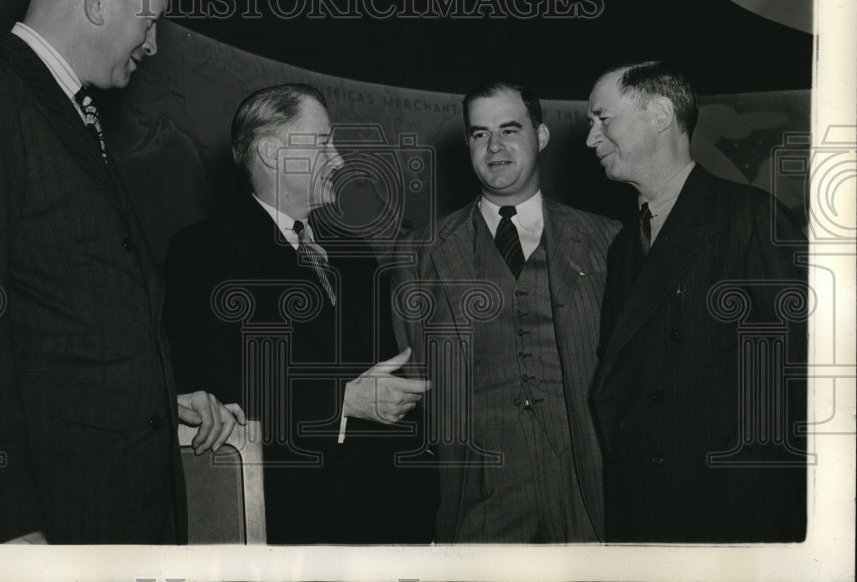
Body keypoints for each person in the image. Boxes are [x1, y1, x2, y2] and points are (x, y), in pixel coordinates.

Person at [0, 0, 242, 544]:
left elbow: (63, 316)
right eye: (150, 20)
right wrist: (1, 529)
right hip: (45, 524)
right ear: (99, 2)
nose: (153, 44)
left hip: (106, 505)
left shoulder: (66, 110)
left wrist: (158, 397)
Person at [162, 83, 436, 544]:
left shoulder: (356, 254)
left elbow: (387, 387)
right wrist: (341, 403)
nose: (340, 159)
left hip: (383, 524)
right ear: (271, 152)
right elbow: (212, 383)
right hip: (285, 524)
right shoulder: (205, 251)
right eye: (323, 142)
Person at [585, 60, 808, 542]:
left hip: (734, 516)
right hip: (648, 514)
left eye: (603, 120)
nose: (590, 139)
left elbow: (808, 381)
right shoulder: (625, 244)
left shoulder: (752, 218)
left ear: (661, 113)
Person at [392, 79, 620, 542]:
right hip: (479, 496)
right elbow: (413, 382)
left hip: (590, 490)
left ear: (540, 136)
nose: (494, 147)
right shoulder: (421, 252)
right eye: (479, 134)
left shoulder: (608, 239)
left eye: (509, 130)